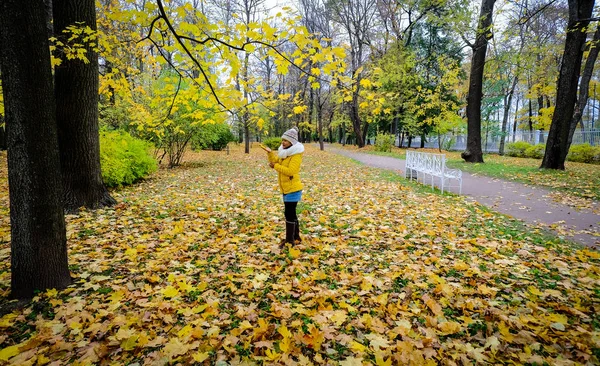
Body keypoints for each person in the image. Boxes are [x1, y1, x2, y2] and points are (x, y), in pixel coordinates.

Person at [264, 127, 304, 246]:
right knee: (290, 213)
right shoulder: (284, 152)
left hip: (293, 188)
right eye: (282, 140)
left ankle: (290, 241)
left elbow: (291, 170)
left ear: (291, 142)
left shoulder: (296, 154)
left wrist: (275, 166)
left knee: (289, 213)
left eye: (285, 140)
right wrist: (270, 153)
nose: (283, 142)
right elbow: (276, 160)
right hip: (286, 188)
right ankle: (295, 237)